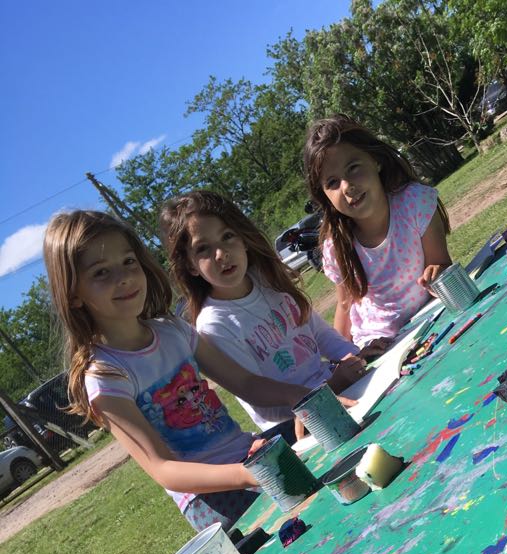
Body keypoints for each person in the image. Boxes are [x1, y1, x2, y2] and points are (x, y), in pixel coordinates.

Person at [43, 209, 314, 532]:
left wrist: (303, 399)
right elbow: (164, 469)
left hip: (249, 454)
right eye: (101, 272)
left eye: (128, 261)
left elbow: (245, 382)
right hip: (209, 498)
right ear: (73, 294)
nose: (124, 277)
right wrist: (247, 474)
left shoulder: (173, 330)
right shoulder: (105, 376)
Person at [159, 190, 372, 438]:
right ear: (190, 265)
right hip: (298, 428)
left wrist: (356, 357)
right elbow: (264, 408)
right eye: (203, 248)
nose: (221, 254)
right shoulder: (214, 324)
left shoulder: (267, 279)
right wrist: (332, 386)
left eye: (227, 236)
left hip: (338, 388)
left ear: (243, 239)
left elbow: (318, 332)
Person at [303, 115, 452, 350]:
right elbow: (345, 305)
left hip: (432, 320)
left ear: (375, 160)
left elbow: (441, 265)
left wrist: (438, 272)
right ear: (325, 197)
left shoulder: (415, 202)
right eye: (332, 182)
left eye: (353, 168)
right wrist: (347, 356)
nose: (347, 186)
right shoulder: (336, 247)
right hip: (376, 346)